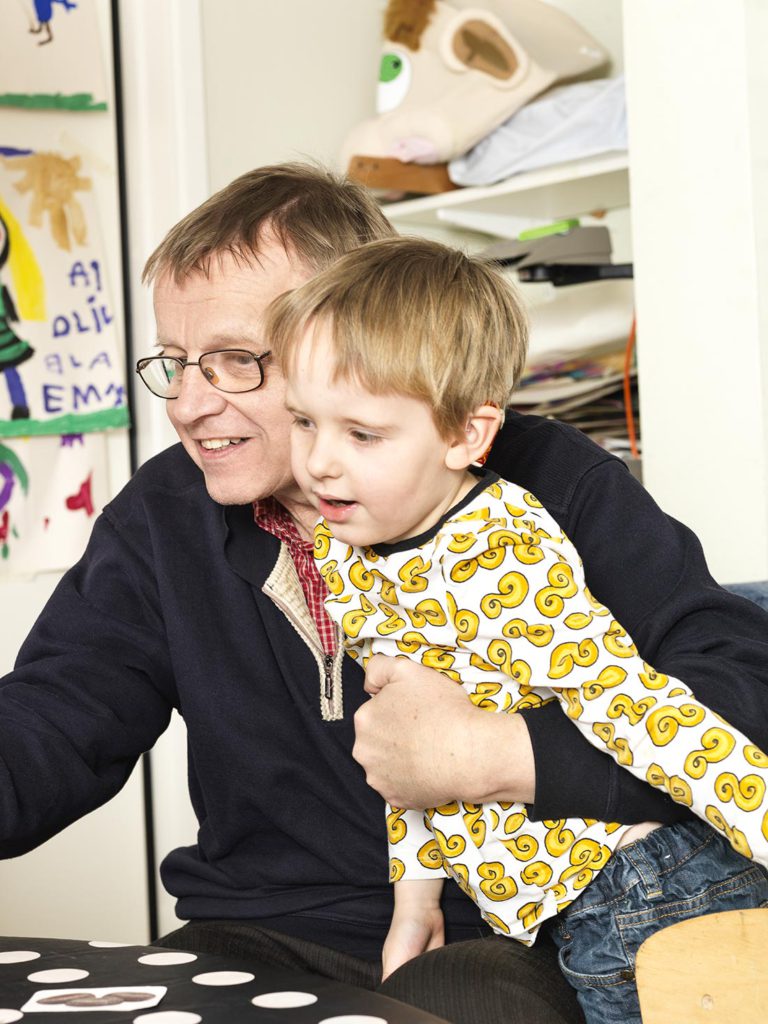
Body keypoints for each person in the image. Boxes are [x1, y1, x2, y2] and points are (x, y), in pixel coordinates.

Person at [2, 164, 768, 1024]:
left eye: (232, 362)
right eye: (174, 363)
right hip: (253, 930)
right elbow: (54, 720)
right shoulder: (162, 515)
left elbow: (742, 694)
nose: (185, 405)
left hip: (497, 934)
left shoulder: (543, 484)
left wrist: (495, 758)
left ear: (353, 334)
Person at [265, 235, 768, 1024]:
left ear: (467, 435)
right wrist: (413, 906)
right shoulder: (352, 548)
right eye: (303, 421)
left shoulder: (503, 556)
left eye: (362, 434)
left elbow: (640, 710)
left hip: (652, 890)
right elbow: (408, 752)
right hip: (563, 910)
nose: (319, 462)